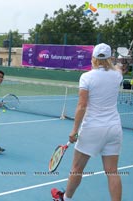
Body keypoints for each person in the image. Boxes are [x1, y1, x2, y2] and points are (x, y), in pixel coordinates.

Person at [51, 43, 123, 201]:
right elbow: (117, 68)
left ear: (93, 58)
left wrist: (74, 130)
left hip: (92, 128)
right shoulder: (118, 75)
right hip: (114, 128)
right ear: (110, 57)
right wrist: (116, 63)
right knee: (112, 171)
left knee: (76, 168)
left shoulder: (87, 77)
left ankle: (65, 199)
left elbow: (82, 105)